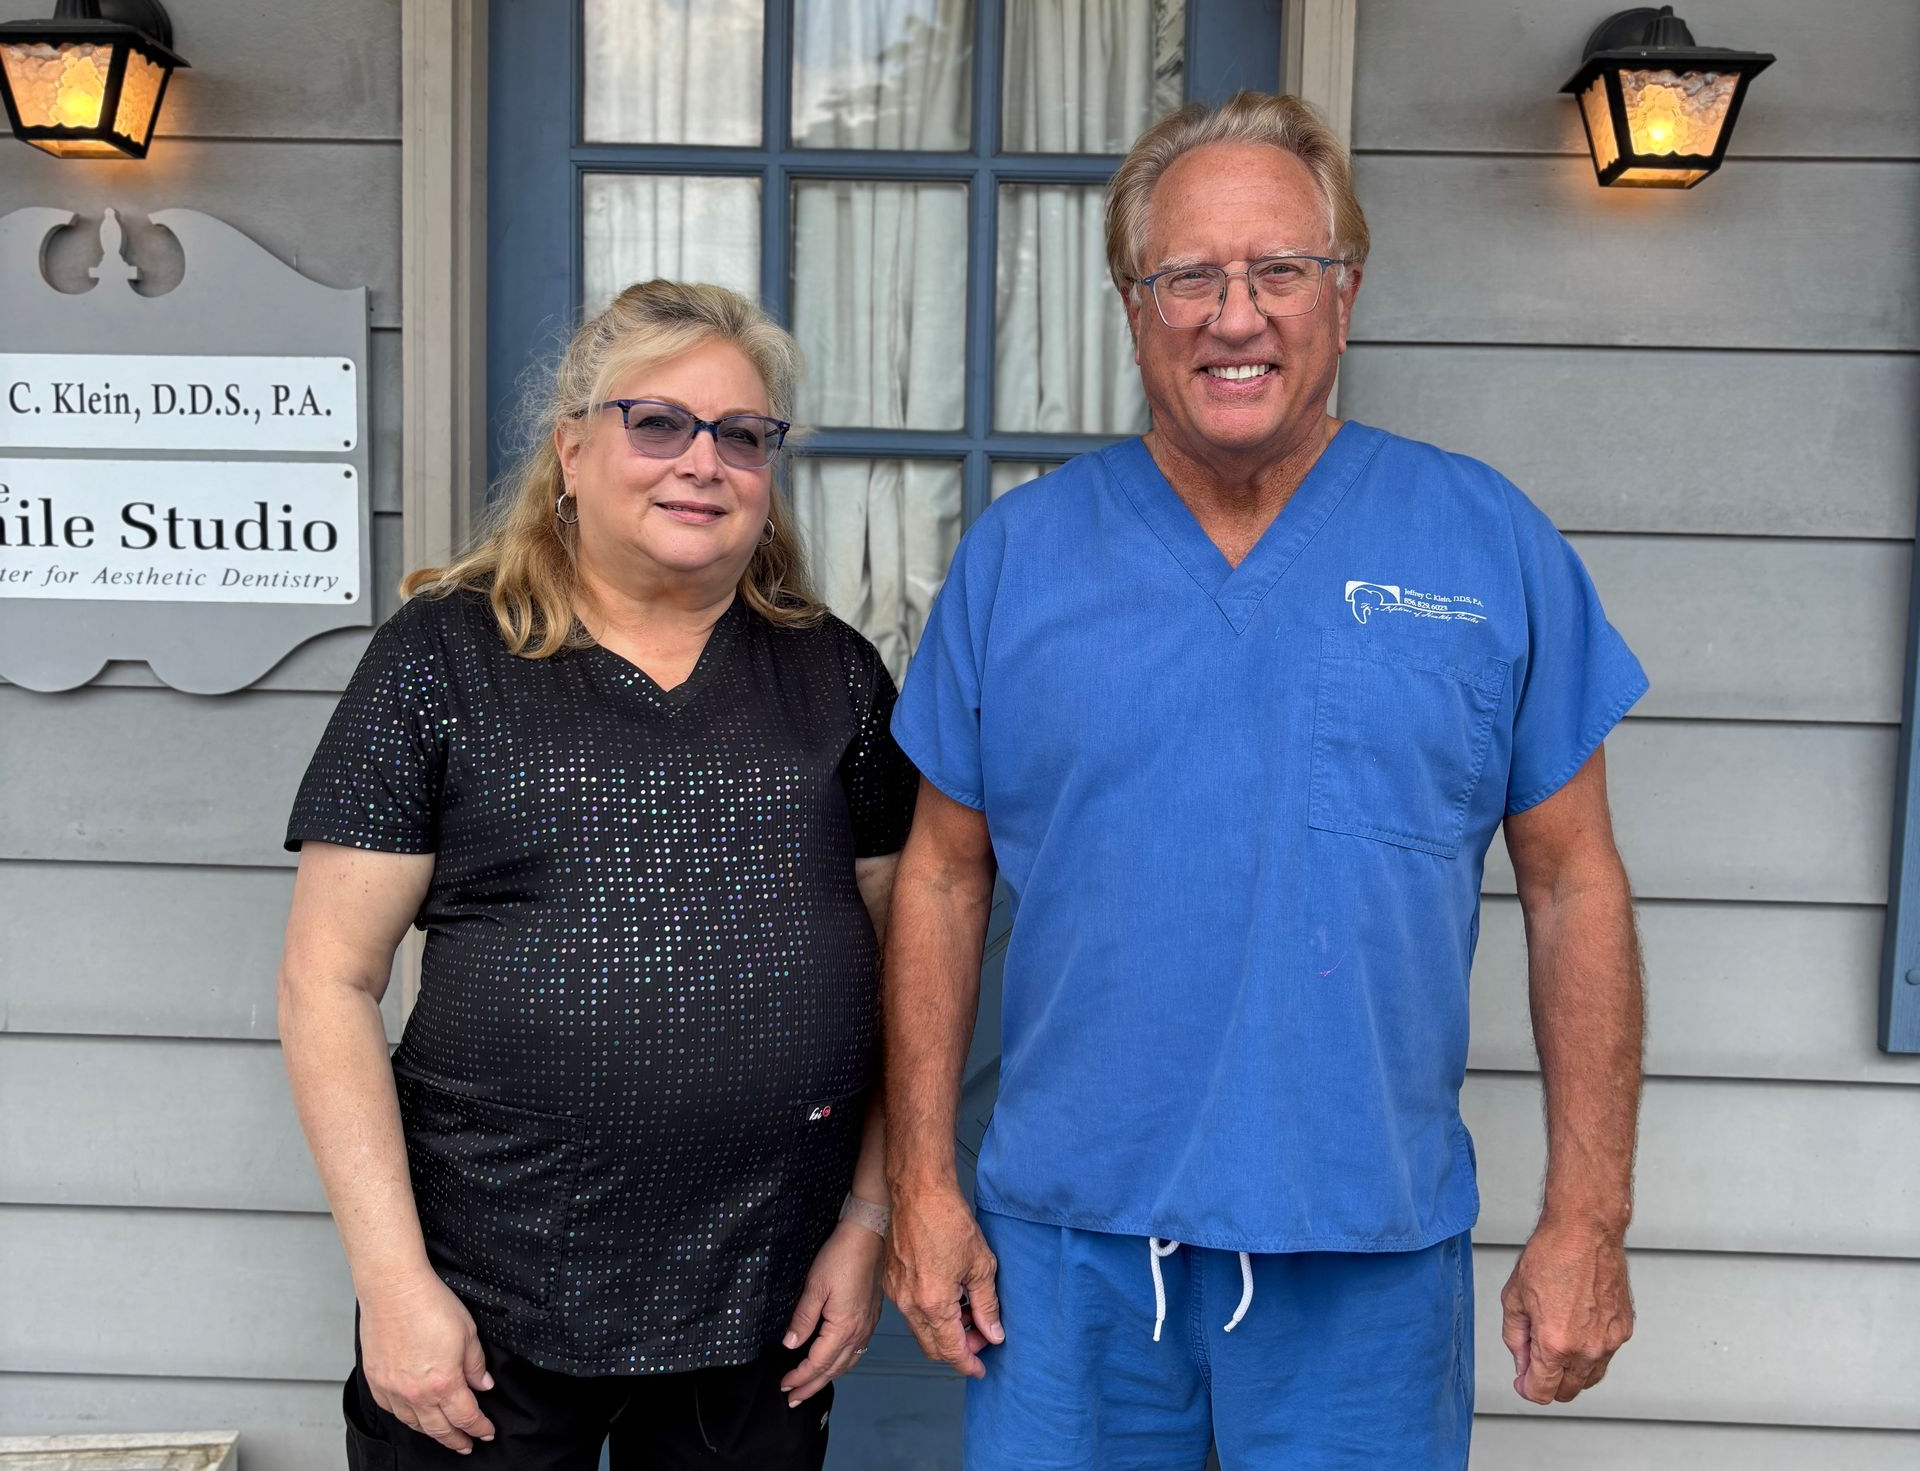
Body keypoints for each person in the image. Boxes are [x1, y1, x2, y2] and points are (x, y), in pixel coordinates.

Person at [882, 92, 1648, 1470]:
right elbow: (941, 872)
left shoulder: (1487, 543)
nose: (1234, 316)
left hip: (1368, 1251)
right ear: (1133, 304)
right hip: (1066, 1261)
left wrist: (1587, 1215)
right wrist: (922, 1180)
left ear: (1343, 293)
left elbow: (1574, 879)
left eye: (1279, 269)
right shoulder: (1021, 556)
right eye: (1188, 275)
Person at [278, 280, 917, 1470]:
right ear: (572, 448)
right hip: (485, 1307)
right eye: (659, 421)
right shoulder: (443, 659)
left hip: (760, 1298)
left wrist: (869, 1221)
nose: (704, 461)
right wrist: (393, 1282)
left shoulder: (833, 678)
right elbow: (326, 981)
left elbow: (907, 971)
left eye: (743, 434)